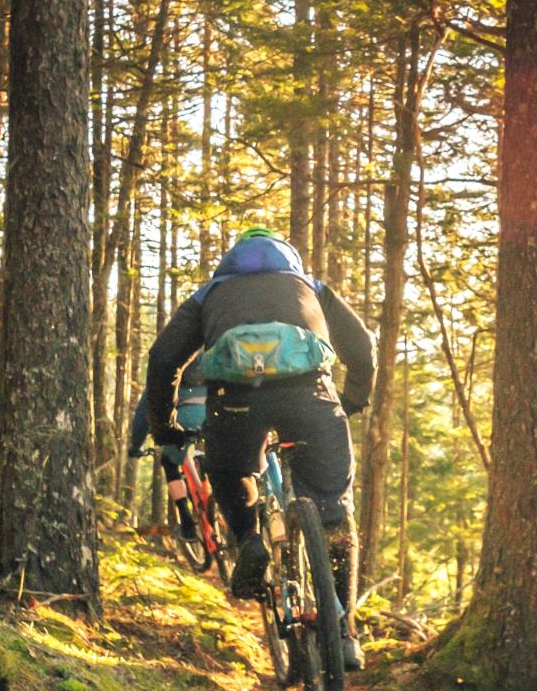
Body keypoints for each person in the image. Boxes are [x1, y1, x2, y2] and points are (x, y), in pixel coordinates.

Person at [145, 228, 376, 668]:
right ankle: (344, 631)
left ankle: (248, 538)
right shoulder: (311, 287)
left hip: (235, 402)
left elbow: (162, 359)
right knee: (335, 514)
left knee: (230, 471)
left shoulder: (210, 293)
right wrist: (352, 401)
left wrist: (166, 429)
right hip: (309, 397)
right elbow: (361, 345)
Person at [128, 355, 208, 546]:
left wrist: (136, 445)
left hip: (184, 417)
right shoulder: (211, 350)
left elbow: (143, 413)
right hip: (214, 412)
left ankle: (187, 522)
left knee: (169, 462)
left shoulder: (168, 361)